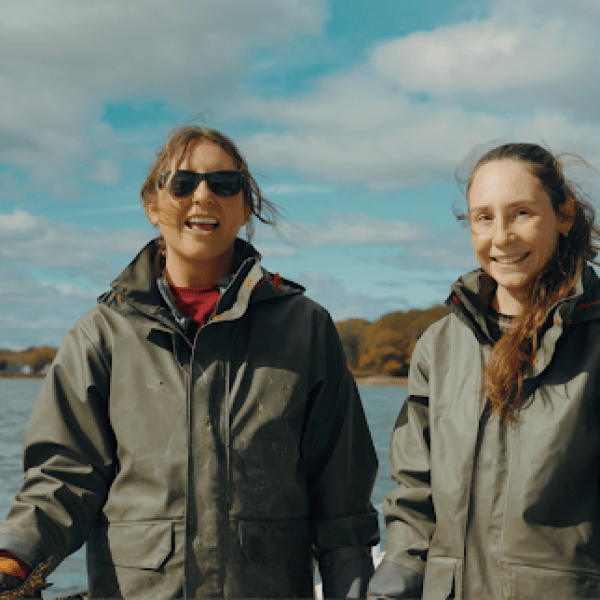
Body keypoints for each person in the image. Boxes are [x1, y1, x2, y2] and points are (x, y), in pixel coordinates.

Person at [0, 125, 379, 599]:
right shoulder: (101, 335)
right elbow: (63, 478)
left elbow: (341, 500)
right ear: (152, 206)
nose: (202, 195)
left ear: (245, 208)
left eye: (224, 184)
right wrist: (14, 556)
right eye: (181, 183)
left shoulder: (306, 329)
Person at [367, 142, 600, 599]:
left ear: (564, 215)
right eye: (484, 218)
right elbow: (415, 494)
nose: (501, 237)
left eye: (521, 214)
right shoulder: (440, 344)